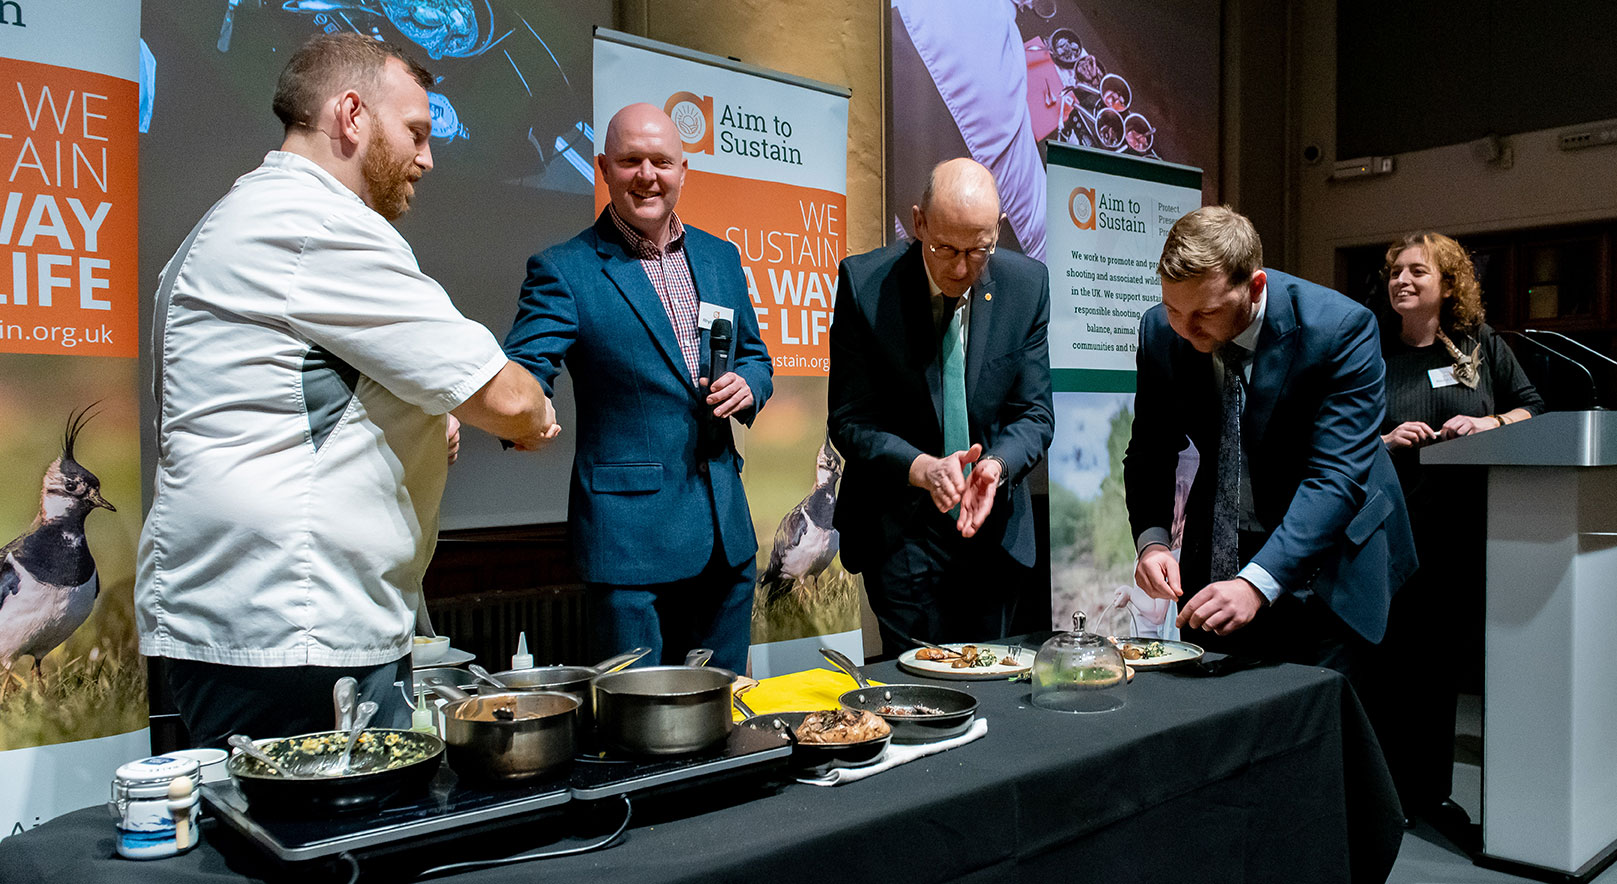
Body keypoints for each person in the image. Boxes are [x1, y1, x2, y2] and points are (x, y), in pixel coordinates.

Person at [137, 34, 559, 748]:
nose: (427, 158)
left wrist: (413, 423)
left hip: (244, 619)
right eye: (417, 133)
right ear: (352, 115)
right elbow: (507, 398)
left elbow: (281, 401)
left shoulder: (230, 221)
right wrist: (534, 414)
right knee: (334, 849)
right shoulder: (317, 226)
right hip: (300, 628)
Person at [503, 104, 771, 675]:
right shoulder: (565, 269)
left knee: (726, 712)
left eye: (661, 162)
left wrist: (748, 384)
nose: (647, 175)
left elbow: (755, 356)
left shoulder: (720, 258)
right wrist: (522, 414)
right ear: (603, 168)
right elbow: (523, 369)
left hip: (725, 533)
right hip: (628, 549)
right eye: (630, 161)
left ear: (684, 170)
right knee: (638, 735)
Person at [1124, 206, 1416, 677]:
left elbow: (1335, 478)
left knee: (1318, 721)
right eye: (1174, 308)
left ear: (1255, 287)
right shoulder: (1162, 332)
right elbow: (1150, 450)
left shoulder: (1341, 329)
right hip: (1220, 551)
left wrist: (1258, 584)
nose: (1185, 328)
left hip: (1331, 560)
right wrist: (1153, 542)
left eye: (1205, 313)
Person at [828, 158, 1054, 652]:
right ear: (919, 222)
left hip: (992, 526)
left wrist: (995, 465)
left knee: (993, 686)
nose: (959, 268)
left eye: (978, 251)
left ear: (997, 231)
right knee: (916, 689)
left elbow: (1034, 414)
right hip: (901, 526)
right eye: (944, 248)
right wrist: (922, 467)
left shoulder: (1027, 287)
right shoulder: (866, 286)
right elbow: (849, 418)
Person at [1367, 231, 1543, 827]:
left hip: (1462, 527)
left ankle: (1430, 794)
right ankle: (1383, 793)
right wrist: (1385, 440)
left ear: (1447, 283)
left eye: (1417, 270)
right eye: (1395, 271)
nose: (1402, 280)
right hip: (1391, 528)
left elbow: (1532, 408)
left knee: (1440, 667)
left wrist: (1487, 421)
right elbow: (1334, 431)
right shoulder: (1371, 349)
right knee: (1391, 665)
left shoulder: (1478, 345)